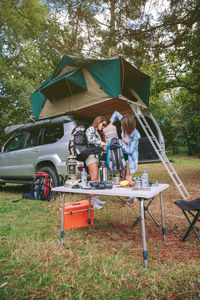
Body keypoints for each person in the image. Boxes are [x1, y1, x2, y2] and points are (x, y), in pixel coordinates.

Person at [109, 111, 141, 184]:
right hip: (122, 153)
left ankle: (130, 195)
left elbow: (130, 151)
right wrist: (110, 124)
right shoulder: (124, 121)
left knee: (128, 177)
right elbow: (116, 113)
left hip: (130, 157)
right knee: (121, 177)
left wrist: (122, 144)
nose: (121, 126)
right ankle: (124, 193)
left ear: (127, 126)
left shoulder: (136, 135)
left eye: (123, 125)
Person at [85, 116, 108, 209]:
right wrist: (102, 143)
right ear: (99, 122)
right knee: (93, 178)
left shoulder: (96, 132)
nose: (103, 127)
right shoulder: (91, 129)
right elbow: (90, 139)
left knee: (96, 178)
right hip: (90, 157)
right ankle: (92, 202)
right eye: (103, 124)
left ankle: (95, 198)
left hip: (95, 156)